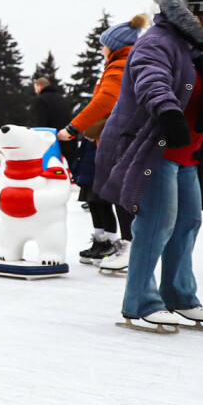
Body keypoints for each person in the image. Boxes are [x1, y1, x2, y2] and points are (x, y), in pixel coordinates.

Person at [95, 0, 203, 333]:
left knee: (187, 222)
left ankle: (179, 295)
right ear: (193, 13)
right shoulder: (157, 42)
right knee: (156, 224)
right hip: (153, 148)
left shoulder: (195, 48)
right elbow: (152, 80)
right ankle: (140, 303)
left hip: (186, 152)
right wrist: (168, 112)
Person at [59, 14, 147, 269]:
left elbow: (105, 101)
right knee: (119, 194)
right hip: (123, 137)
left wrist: (73, 127)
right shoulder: (128, 63)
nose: (101, 49)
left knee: (121, 195)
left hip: (120, 139)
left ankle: (130, 248)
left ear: (115, 45)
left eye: (103, 44)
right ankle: (128, 246)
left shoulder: (119, 66)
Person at [32, 76, 75, 167]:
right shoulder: (61, 98)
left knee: (50, 166)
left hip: (52, 138)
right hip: (68, 135)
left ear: (40, 87)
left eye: (35, 88)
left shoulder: (41, 100)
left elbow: (42, 123)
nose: (35, 91)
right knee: (72, 164)